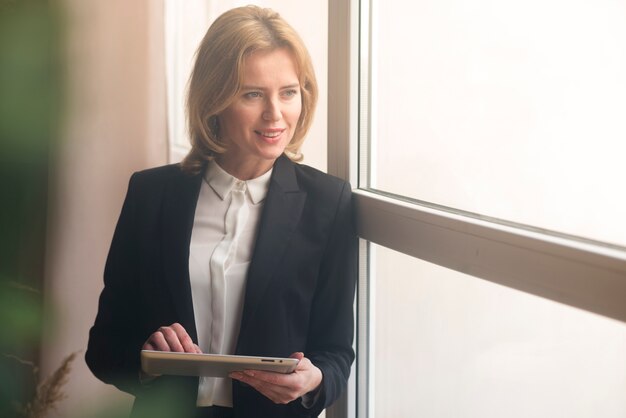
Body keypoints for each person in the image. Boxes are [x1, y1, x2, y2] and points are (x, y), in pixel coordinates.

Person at [85, 6, 357, 418]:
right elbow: (103, 348)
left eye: (288, 92)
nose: (275, 114)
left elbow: (337, 351)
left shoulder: (329, 203)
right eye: (252, 94)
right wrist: (147, 360)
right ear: (214, 100)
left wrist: (314, 380)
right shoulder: (151, 193)